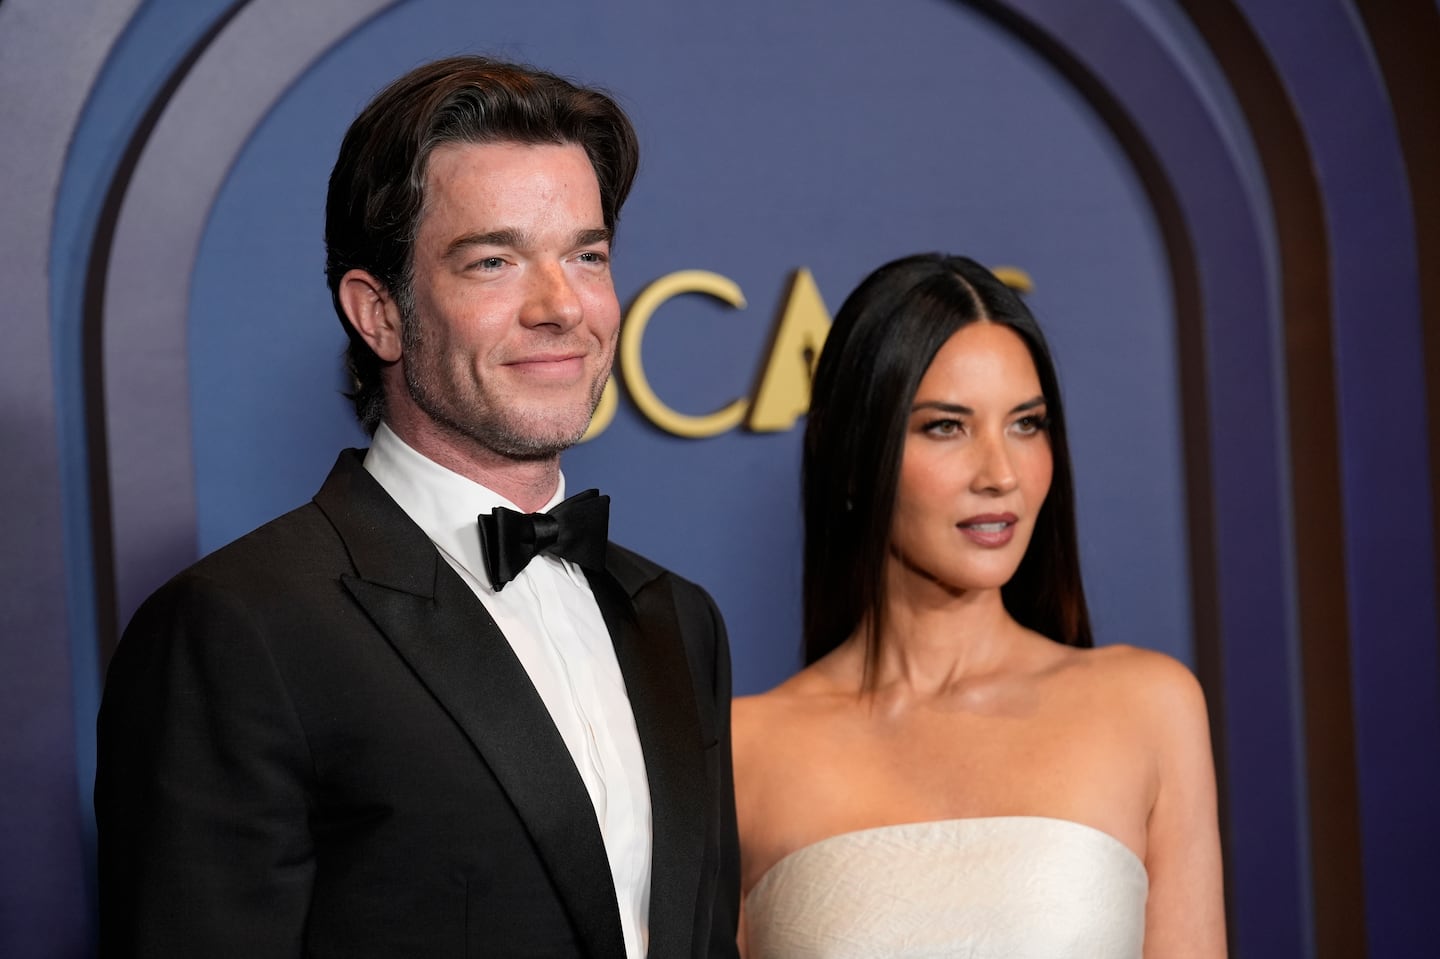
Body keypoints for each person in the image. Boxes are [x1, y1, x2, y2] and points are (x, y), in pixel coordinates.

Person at [96, 55, 739, 959]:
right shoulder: (239, 630)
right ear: (379, 313)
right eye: (494, 260)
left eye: (586, 255)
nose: (562, 306)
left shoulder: (680, 618)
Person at [733, 254, 1225, 958]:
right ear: (851, 458)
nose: (1000, 474)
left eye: (1026, 424)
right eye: (946, 426)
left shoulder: (1150, 706)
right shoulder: (744, 754)